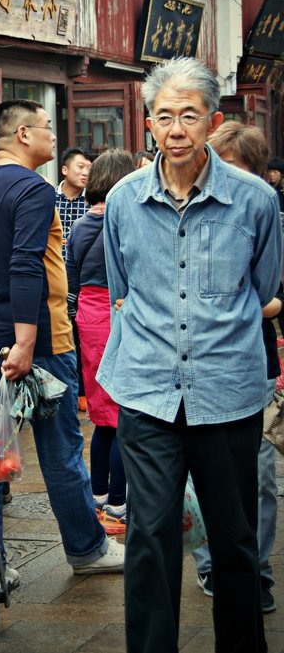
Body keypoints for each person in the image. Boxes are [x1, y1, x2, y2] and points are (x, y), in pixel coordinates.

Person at [96, 57, 281, 653]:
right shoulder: (124, 199)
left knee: (234, 540)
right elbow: (121, 287)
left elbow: (265, 287)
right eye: (164, 116)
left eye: (190, 116)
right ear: (148, 123)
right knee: (149, 535)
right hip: (147, 391)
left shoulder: (255, 200)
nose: (176, 130)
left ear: (213, 121)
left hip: (228, 392)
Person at [0, 98, 125, 583]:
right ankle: (87, 548)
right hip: (37, 345)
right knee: (60, 453)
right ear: (24, 135)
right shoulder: (32, 188)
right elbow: (25, 264)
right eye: (47, 128)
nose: (54, 136)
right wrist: (26, 343)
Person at [192, 120, 282, 615]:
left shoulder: (264, 213)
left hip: (251, 363)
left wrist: (241, 300)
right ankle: (211, 563)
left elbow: (272, 296)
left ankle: (255, 569)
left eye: (233, 168)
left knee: (258, 474)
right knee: (203, 473)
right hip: (192, 366)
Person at [66, 149, 134, 533]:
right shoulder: (123, 222)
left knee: (102, 418)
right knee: (125, 416)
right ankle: (120, 505)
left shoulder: (78, 226)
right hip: (118, 312)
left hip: (88, 319)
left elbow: (72, 284)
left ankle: (97, 497)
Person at [55, 147, 92, 411]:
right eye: (80, 167)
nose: (85, 173)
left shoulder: (91, 202)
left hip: (80, 279)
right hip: (53, 279)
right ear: (65, 170)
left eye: (89, 168)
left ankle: (80, 390)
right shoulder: (47, 198)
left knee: (80, 335)